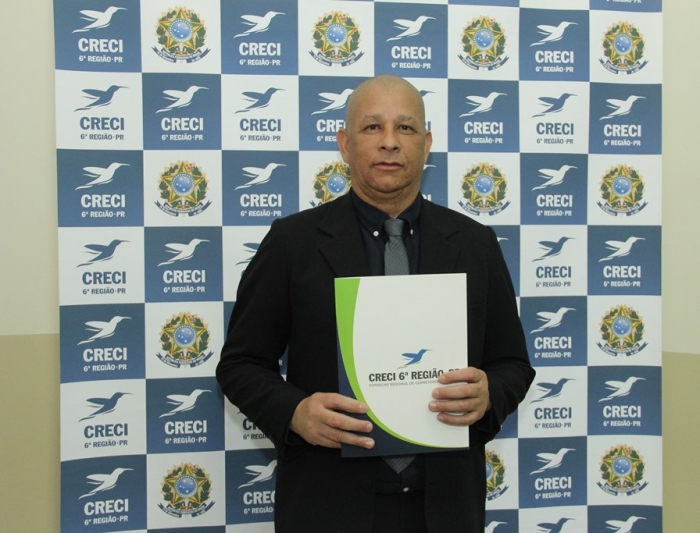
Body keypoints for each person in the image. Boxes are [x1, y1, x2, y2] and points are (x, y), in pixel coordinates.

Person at [217, 75, 534, 533]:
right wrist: (295, 413)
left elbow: (512, 364)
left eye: (405, 128)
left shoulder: (474, 243)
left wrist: (489, 394)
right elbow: (240, 364)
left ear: (426, 144)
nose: (389, 142)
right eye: (372, 127)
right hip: (328, 506)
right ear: (345, 144)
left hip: (444, 509)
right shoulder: (292, 243)